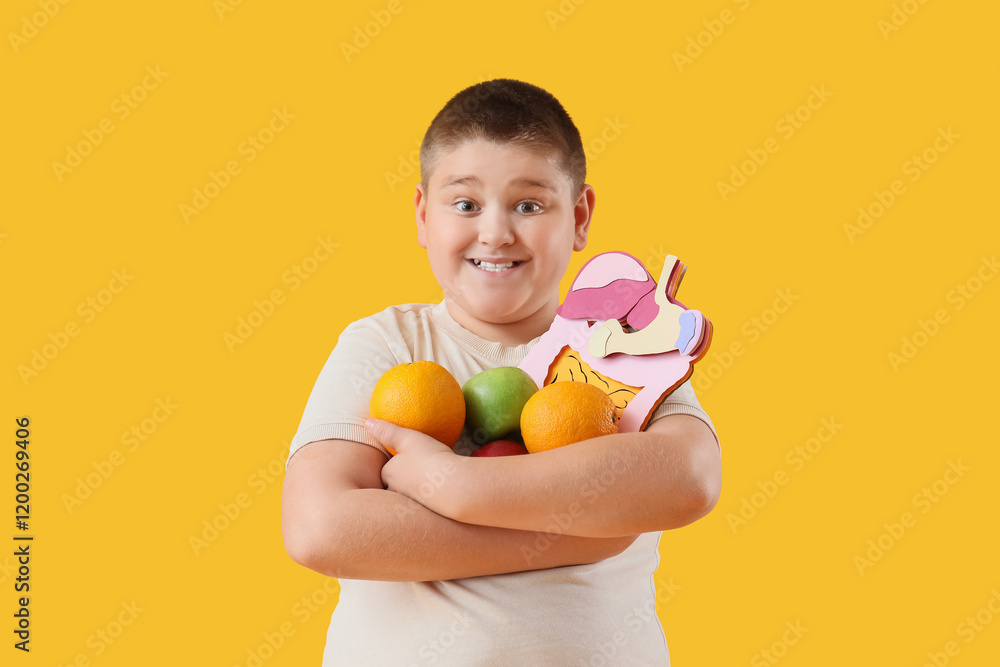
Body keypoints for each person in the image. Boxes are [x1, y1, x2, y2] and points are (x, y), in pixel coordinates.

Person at [281, 78, 722, 665]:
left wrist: (457, 485)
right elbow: (320, 529)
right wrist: (573, 534)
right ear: (423, 216)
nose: (495, 233)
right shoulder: (388, 343)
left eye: (529, 205)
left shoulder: (621, 348)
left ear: (580, 217)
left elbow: (690, 476)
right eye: (466, 205)